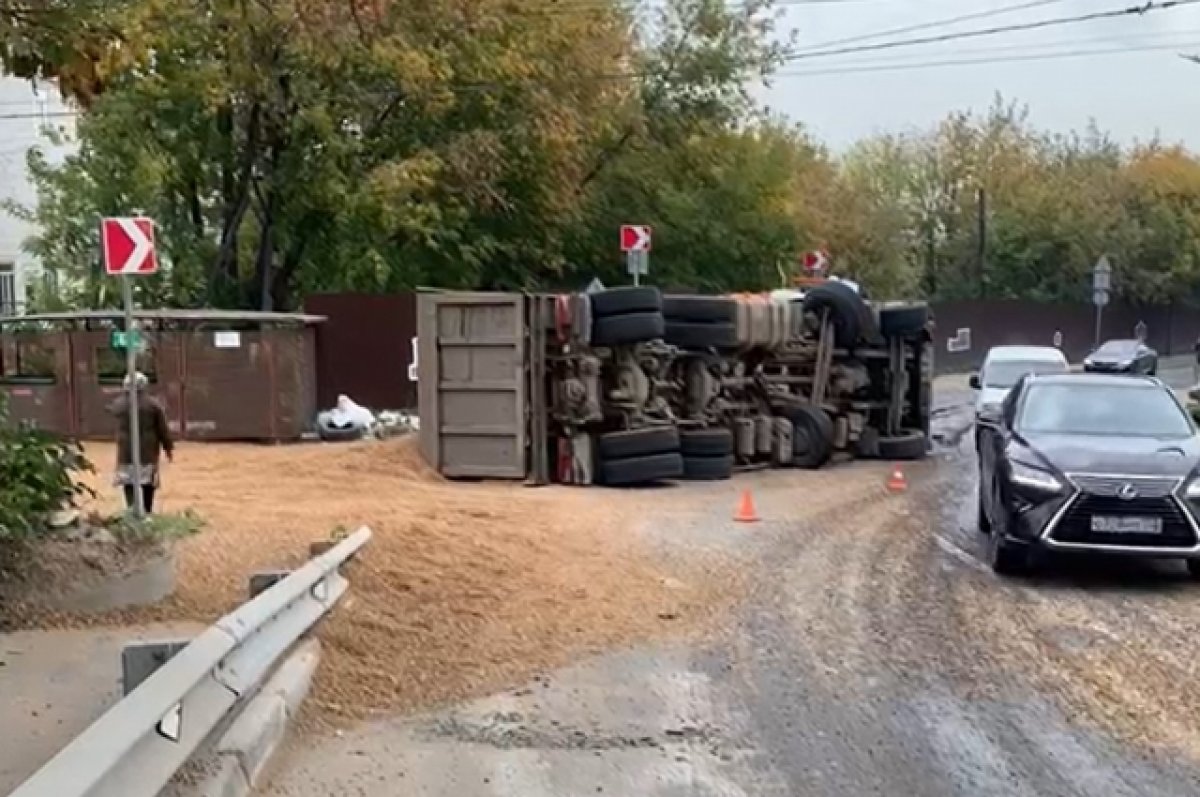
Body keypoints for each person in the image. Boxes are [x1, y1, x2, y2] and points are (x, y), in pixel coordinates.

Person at [108, 371, 174, 513]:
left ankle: (131, 509)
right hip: (147, 451)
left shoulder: (119, 404)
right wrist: (168, 447)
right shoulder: (153, 405)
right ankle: (147, 510)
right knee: (147, 483)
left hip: (126, 451)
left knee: (128, 482)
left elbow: (112, 411)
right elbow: (162, 429)